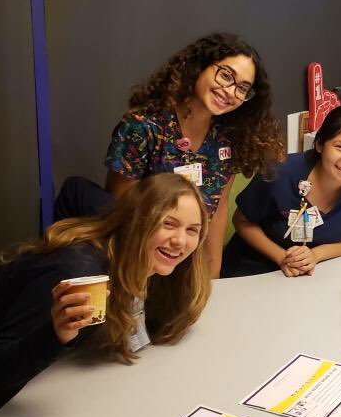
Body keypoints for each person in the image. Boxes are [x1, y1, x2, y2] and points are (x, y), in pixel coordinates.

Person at [55, 33, 285, 278]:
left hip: (186, 254)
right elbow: (121, 208)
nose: (230, 91)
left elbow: (217, 212)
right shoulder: (144, 126)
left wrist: (212, 278)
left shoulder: (229, 139)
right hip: (137, 250)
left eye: (242, 88)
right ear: (200, 67)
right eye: (226, 75)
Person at [0, 174, 210, 410]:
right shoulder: (79, 272)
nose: (180, 241)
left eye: (193, 230)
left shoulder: (160, 267)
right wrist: (54, 336)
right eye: (168, 224)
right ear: (136, 222)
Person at [221, 106, 341, 278]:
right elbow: (241, 221)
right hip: (253, 271)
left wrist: (316, 255)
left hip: (317, 273)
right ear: (319, 145)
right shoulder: (279, 174)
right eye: (340, 147)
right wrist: (283, 258)